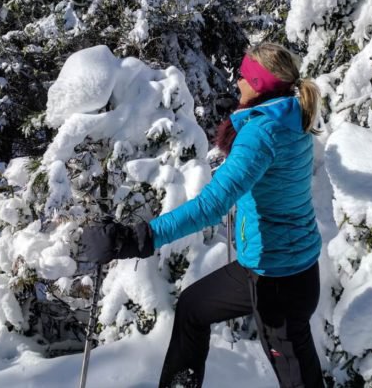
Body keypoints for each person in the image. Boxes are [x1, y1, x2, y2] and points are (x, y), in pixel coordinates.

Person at [81, 42, 325, 388]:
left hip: (278, 283)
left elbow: (212, 205)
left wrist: (140, 237)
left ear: (259, 86)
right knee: (194, 307)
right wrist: (243, 119)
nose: (237, 82)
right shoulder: (287, 116)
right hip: (271, 266)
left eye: (244, 77)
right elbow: (266, 171)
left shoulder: (262, 133)